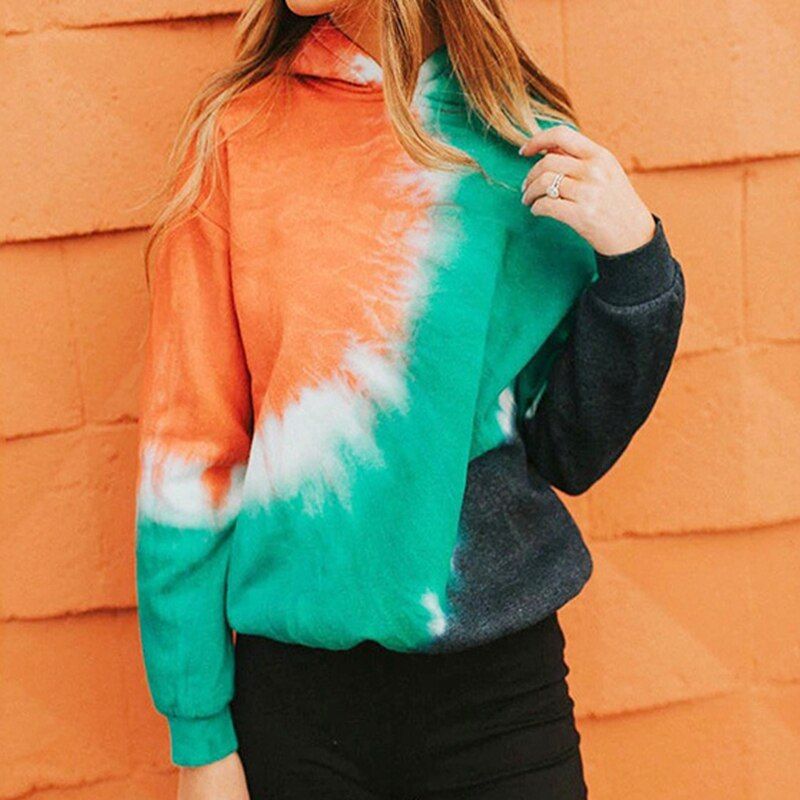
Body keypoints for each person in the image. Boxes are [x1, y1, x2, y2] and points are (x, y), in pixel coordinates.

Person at [134, 1, 686, 798]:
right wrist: (200, 739)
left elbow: (569, 450)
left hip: (498, 705)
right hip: (297, 708)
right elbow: (190, 453)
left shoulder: (517, 141)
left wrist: (635, 265)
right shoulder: (240, 135)